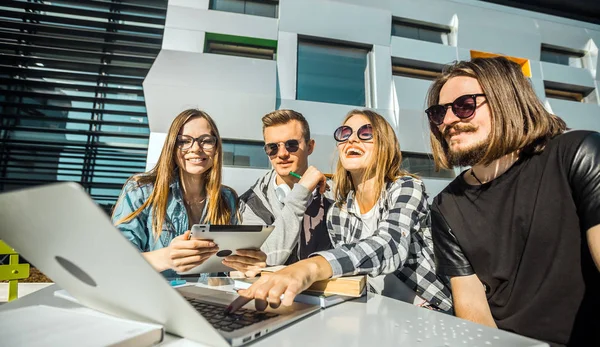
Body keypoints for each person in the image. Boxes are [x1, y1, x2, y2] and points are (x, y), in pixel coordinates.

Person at [425, 57, 600, 346]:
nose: (449, 121)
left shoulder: (578, 154)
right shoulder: (445, 206)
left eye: (465, 105)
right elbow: (474, 315)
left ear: (507, 99)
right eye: (438, 113)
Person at [228, 109, 453, 313]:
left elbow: (391, 244)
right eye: (345, 133)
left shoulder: (405, 187)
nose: (352, 138)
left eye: (365, 132)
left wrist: (310, 267)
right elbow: (351, 270)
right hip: (373, 311)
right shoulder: (339, 210)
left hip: (428, 309)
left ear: (384, 143)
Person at [112, 109, 267, 278]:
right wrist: (166, 258)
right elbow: (118, 261)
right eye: (184, 141)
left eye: (206, 141)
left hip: (209, 300)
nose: (196, 148)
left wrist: (246, 267)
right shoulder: (140, 190)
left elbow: (226, 269)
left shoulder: (227, 198)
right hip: (155, 298)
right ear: (172, 146)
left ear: (216, 148)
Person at [239, 109, 332, 267]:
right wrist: (301, 193)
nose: (282, 154)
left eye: (292, 145)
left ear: (310, 147)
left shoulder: (335, 195)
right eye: (272, 147)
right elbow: (267, 259)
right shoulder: (251, 202)